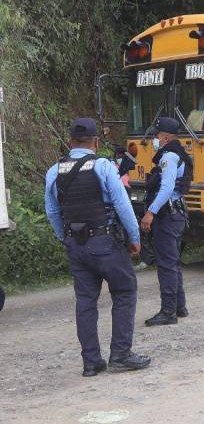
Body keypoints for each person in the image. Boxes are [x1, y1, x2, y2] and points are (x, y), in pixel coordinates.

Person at [44, 118, 151, 376]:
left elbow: (52, 212)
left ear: (70, 142)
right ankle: (120, 354)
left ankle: (91, 362)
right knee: (125, 291)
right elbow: (122, 203)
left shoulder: (53, 171)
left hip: (75, 244)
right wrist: (135, 237)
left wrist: (65, 238)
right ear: (95, 141)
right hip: (104, 241)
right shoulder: (102, 165)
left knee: (85, 301)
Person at [140, 117, 193, 326]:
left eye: (156, 135)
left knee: (166, 265)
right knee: (172, 262)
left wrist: (151, 212)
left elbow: (167, 187)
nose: (154, 139)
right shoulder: (178, 153)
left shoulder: (168, 157)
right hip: (177, 214)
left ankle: (168, 312)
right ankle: (179, 307)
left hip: (168, 216)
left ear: (165, 137)